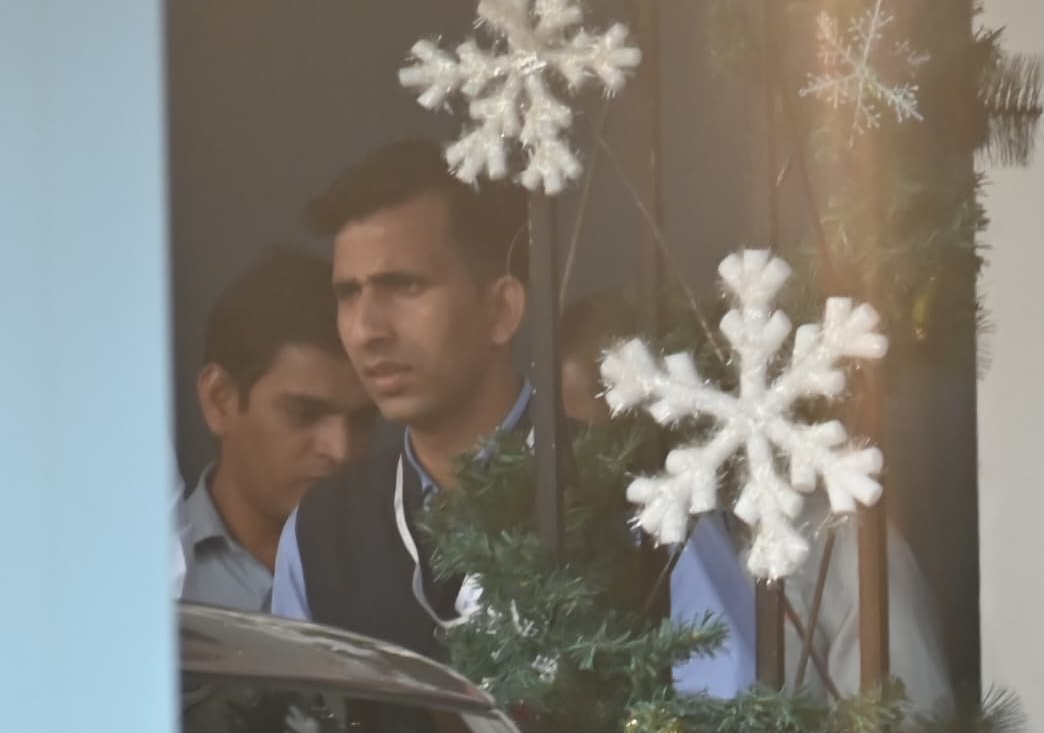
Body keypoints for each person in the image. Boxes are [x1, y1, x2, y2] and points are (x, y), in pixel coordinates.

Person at [278, 141, 754, 692]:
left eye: (405, 286)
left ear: (502, 309)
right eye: (348, 294)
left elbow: (727, 718)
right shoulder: (321, 531)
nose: (366, 330)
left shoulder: (641, 499)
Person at [176, 248, 371, 609]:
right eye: (304, 413)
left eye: (363, 421)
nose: (340, 449)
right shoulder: (140, 574)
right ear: (219, 400)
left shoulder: (406, 576)